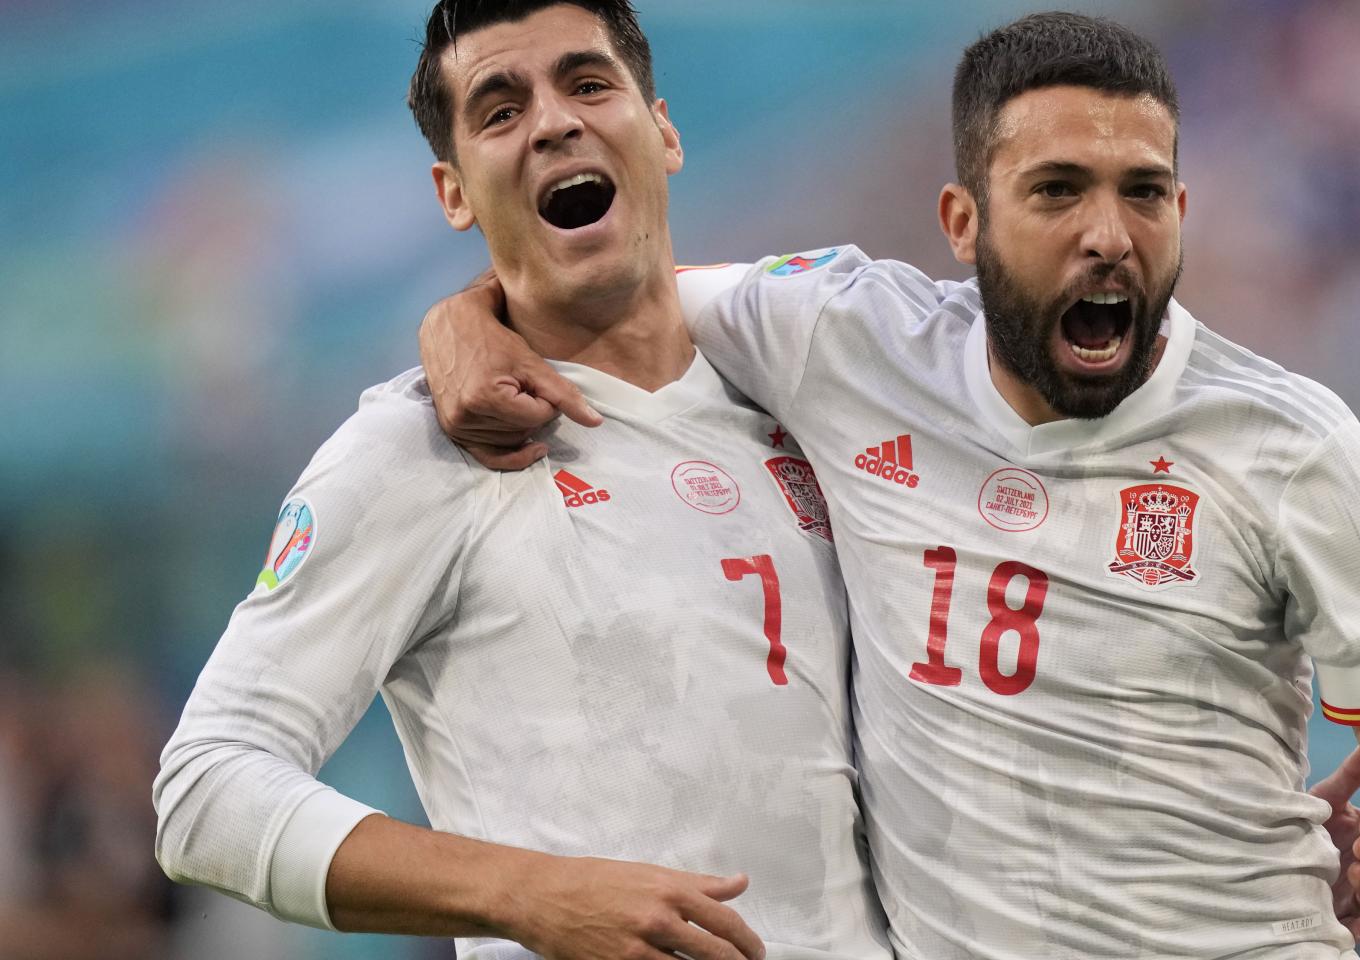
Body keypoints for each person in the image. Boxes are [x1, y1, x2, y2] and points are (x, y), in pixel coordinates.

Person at [422, 10, 1360, 960]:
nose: (1107, 236)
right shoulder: (847, 340)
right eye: (1056, 192)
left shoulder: (1293, 448)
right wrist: (462, 320)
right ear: (961, 223)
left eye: (1143, 195)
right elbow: (603, 290)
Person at [155, 3, 887, 958]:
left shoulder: (807, 383)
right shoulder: (416, 447)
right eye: (501, 111)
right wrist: (524, 894)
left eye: (588, 84)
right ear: (452, 192)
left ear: (663, 129)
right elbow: (204, 790)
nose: (552, 123)